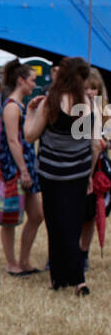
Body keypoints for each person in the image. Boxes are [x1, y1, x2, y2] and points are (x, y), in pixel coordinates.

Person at [23, 56, 92, 295]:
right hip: (79, 172)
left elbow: (31, 136)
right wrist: (90, 174)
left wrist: (30, 112)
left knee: (55, 223)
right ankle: (78, 279)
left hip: (52, 172)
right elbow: (90, 142)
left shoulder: (50, 102)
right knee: (73, 223)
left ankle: (59, 278)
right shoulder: (91, 102)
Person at [0, 59, 43, 275]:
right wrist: (23, 170)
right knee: (9, 218)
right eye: (32, 80)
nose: (34, 84)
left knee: (37, 215)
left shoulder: (21, 106)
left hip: (25, 166)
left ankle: (23, 260)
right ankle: (12, 263)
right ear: (21, 81)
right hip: (14, 169)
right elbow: (13, 141)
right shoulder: (12, 107)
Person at [79, 69, 108, 265]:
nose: (90, 92)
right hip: (76, 166)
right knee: (71, 214)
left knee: (91, 215)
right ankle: (64, 252)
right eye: (86, 87)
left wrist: (105, 141)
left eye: (94, 88)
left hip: (97, 169)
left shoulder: (104, 111)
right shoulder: (74, 109)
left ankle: (83, 254)